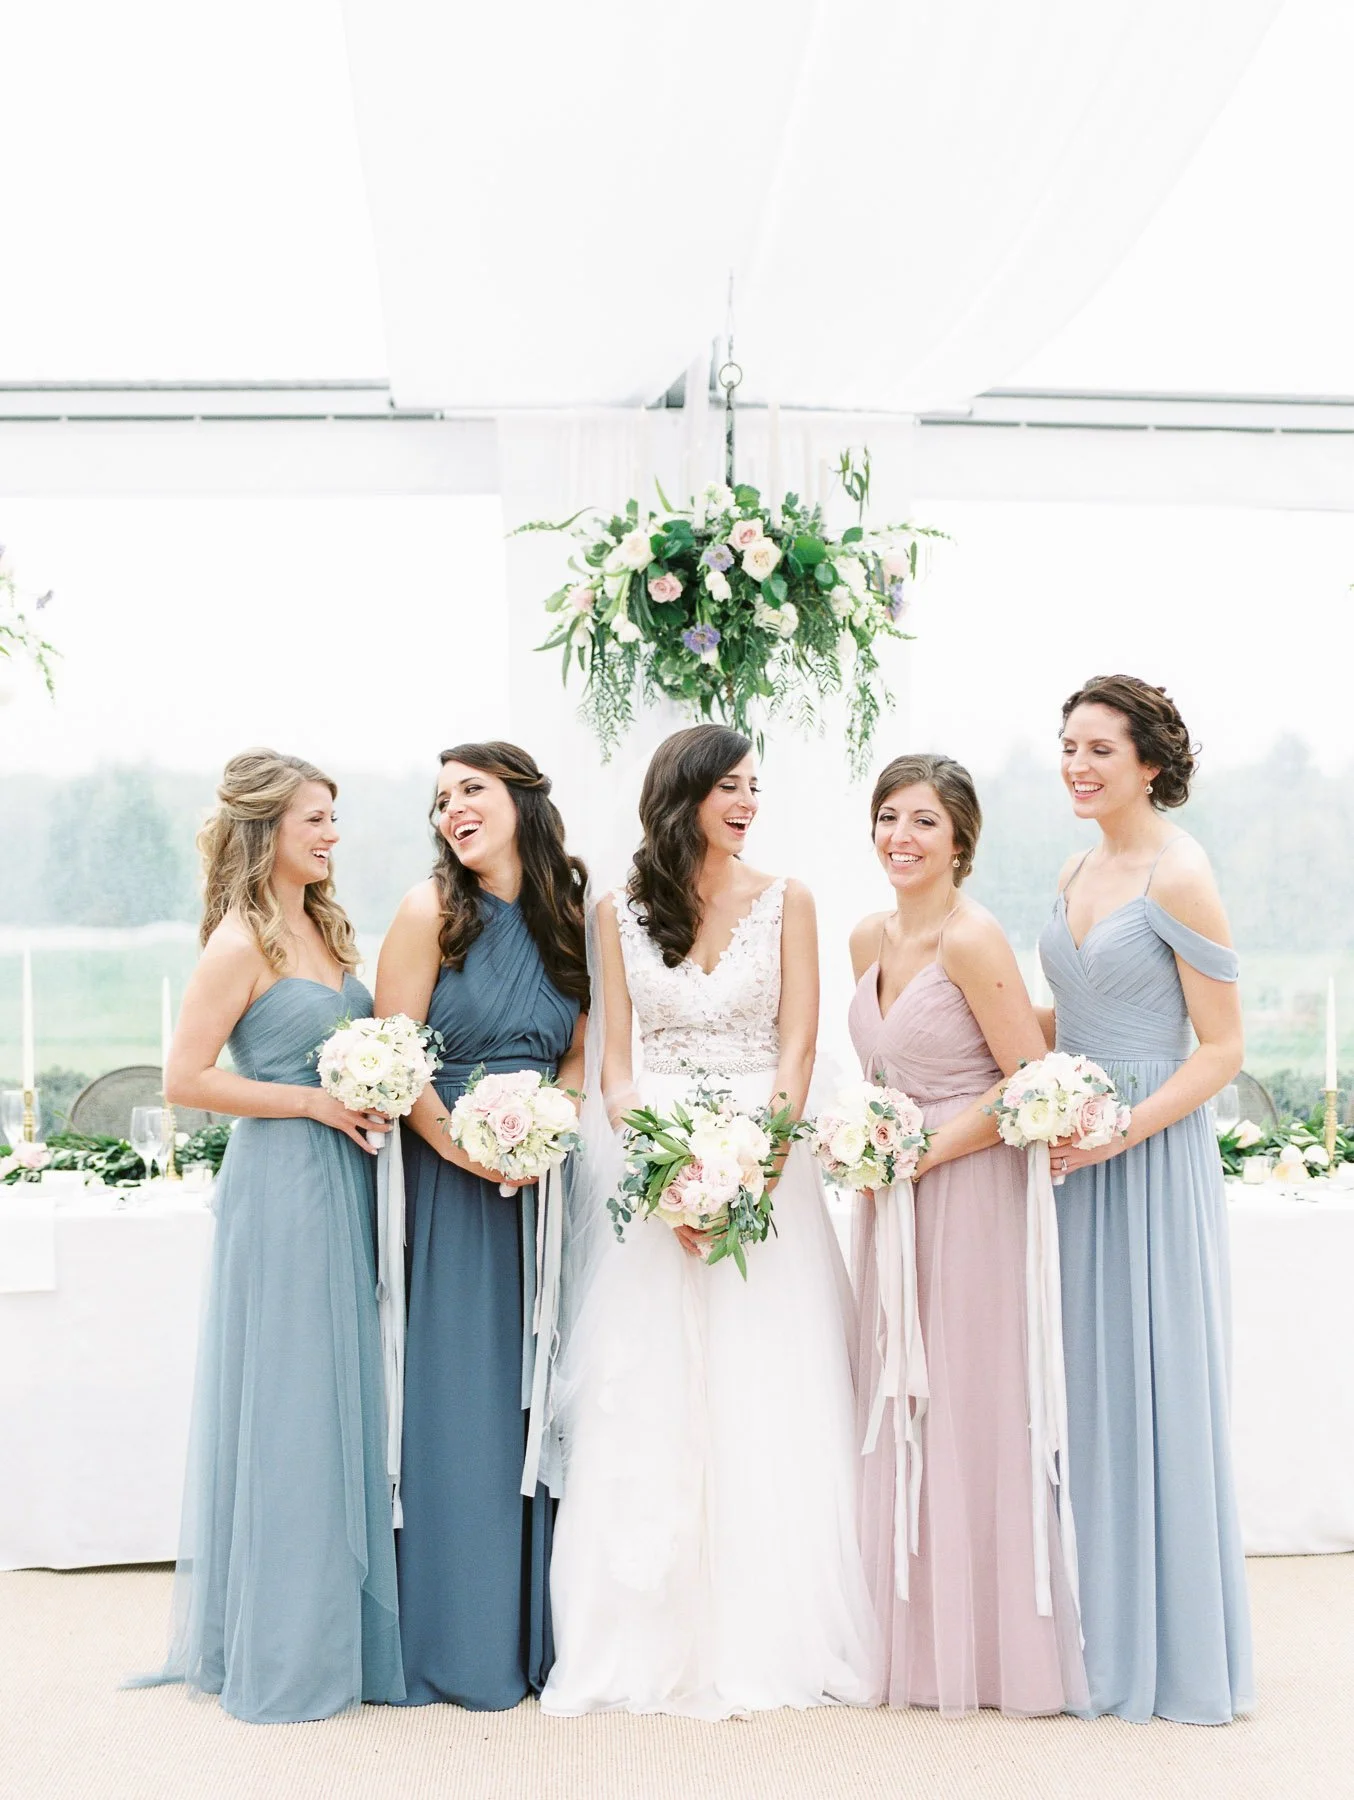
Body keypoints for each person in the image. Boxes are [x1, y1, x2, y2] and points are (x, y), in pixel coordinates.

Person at [542, 724, 880, 1719]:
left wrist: (750, 1172)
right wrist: (661, 1172)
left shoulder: (790, 902)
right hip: (653, 1167)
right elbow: (613, 1058)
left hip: (761, 1175)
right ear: (681, 794)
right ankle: (646, 1640)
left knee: (765, 1394)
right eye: (728, 786)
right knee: (648, 1400)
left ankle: (766, 1633)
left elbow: (797, 1046)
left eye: (753, 787)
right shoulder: (616, 909)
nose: (745, 803)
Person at [133, 748, 403, 1723]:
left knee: (340, 1401)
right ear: (266, 829)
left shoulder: (325, 928)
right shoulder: (240, 940)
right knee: (291, 1407)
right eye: (315, 820)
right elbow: (184, 1079)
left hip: (344, 1178)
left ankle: (338, 1629)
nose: (332, 835)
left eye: (334, 818)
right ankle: (287, 1649)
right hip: (283, 1185)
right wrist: (315, 1104)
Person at [847, 753, 1086, 1716]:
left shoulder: (972, 937)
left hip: (971, 1191)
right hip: (893, 1197)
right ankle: (903, 1635)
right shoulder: (867, 934)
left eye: (924, 824)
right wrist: (868, 1148)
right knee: (899, 1402)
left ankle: (985, 1653)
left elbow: (1029, 1082)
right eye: (888, 818)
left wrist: (920, 1153)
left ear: (960, 840)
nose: (901, 839)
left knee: (968, 1402)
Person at [1040, 674, 1252, 1723]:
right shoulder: (1077, 862)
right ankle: (1085, 1633)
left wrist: (1120, 1127)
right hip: (1068, 1146)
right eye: (1069, 747)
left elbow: (1222, 1051)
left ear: (1151, 765)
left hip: (1146, 1150)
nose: (1077, 766)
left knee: (1150, 1380)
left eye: (1099, 751)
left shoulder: (1181, 874)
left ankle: (1166, 1651)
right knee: (1079, 1384)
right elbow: (1066, 1012)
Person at [375, 741, 587, 1709]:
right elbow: (395, 1055)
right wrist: (464, 1147)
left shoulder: (570, 916)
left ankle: (539, 1635)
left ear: (523, 800)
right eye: (441, 799)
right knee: (461, 1399)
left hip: (544, 1182)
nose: (452, 810)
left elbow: (584, 1050)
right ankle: (457, 1640)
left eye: (472, 791)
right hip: (451, 1178)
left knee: (541, 1397)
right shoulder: (430, 914)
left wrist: (553, 1128)